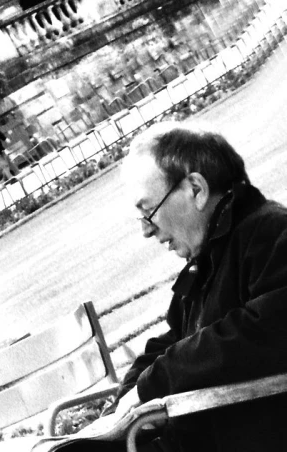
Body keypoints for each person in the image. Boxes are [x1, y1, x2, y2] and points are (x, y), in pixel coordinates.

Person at [106, 121, 287, 451]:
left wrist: (156, 382)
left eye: (150, 212)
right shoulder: (210, 255)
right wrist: (119, 410)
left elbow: (266, 330)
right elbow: (174, 339)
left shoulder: (271, 232)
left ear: (196, 189)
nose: (147, 231)